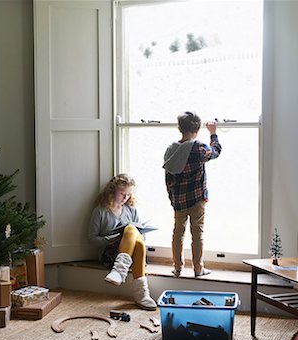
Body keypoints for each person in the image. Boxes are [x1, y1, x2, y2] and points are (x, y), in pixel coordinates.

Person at [163, 111, 222, 278]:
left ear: (179, 128)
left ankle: (177, 267)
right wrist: (213, 133)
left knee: (178, 233)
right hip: (197, 199)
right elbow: (215, 152)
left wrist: (172, 198)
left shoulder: (171, 149)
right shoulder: (197, 148)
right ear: (197, 128)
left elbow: (168, 178)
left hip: (178, 200)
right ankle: (198, 268)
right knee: (197, 234)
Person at [88, 174, 157, 310]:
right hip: (110, 253)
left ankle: (120, 272)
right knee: (131, 229)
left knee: (137, 239)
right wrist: (112, 238)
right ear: (112, 191)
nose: (126, 197)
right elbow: (92, 239)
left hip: (130, 256)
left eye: (128, 194)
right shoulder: (100, 211)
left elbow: (141, 236)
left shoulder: (131, 210)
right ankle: (141, 295)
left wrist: (132, 235)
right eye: (122, 193)